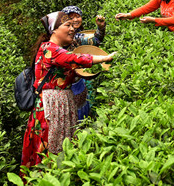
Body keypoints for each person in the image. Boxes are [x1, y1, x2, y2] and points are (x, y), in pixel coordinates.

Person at [22, 10, 116, 169]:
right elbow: (73, 59)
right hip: (50, 107)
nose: (72, 28)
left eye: (73, 25)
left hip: (63, 105)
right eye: (67, 25)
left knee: (64, 149)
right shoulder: (48, 48)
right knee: (47, 150)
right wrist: (103, 58)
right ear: (54, 30)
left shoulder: (62, 50)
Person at [61, 5, 107, 121]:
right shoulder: (59, 37)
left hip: (79, 77)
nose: (75, 20)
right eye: (71, 17)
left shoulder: (79, 36)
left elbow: (95, 40)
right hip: (64, 79)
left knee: (84, 104)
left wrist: (100, 28)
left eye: (78, 16)